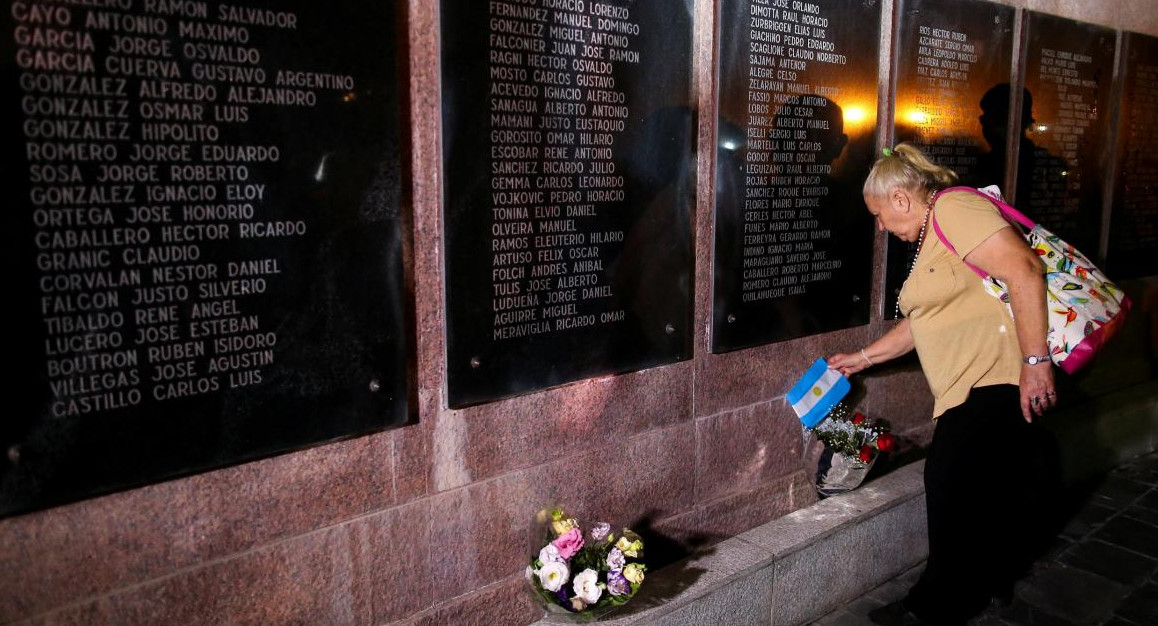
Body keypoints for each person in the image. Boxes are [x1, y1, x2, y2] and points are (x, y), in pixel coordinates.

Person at [828, 143, 1057, 626]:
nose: (880, 226)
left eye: (879, 214)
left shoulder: (955, 207)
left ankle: (933, 608)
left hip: (995, 375)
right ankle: (993, 580)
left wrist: (1036, 363)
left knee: (948, 482)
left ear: (901, 200)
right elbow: (923, 321)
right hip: (976, 379)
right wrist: (861, 358)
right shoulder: (937, 232)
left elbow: (1024, 270)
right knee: (988, 488)